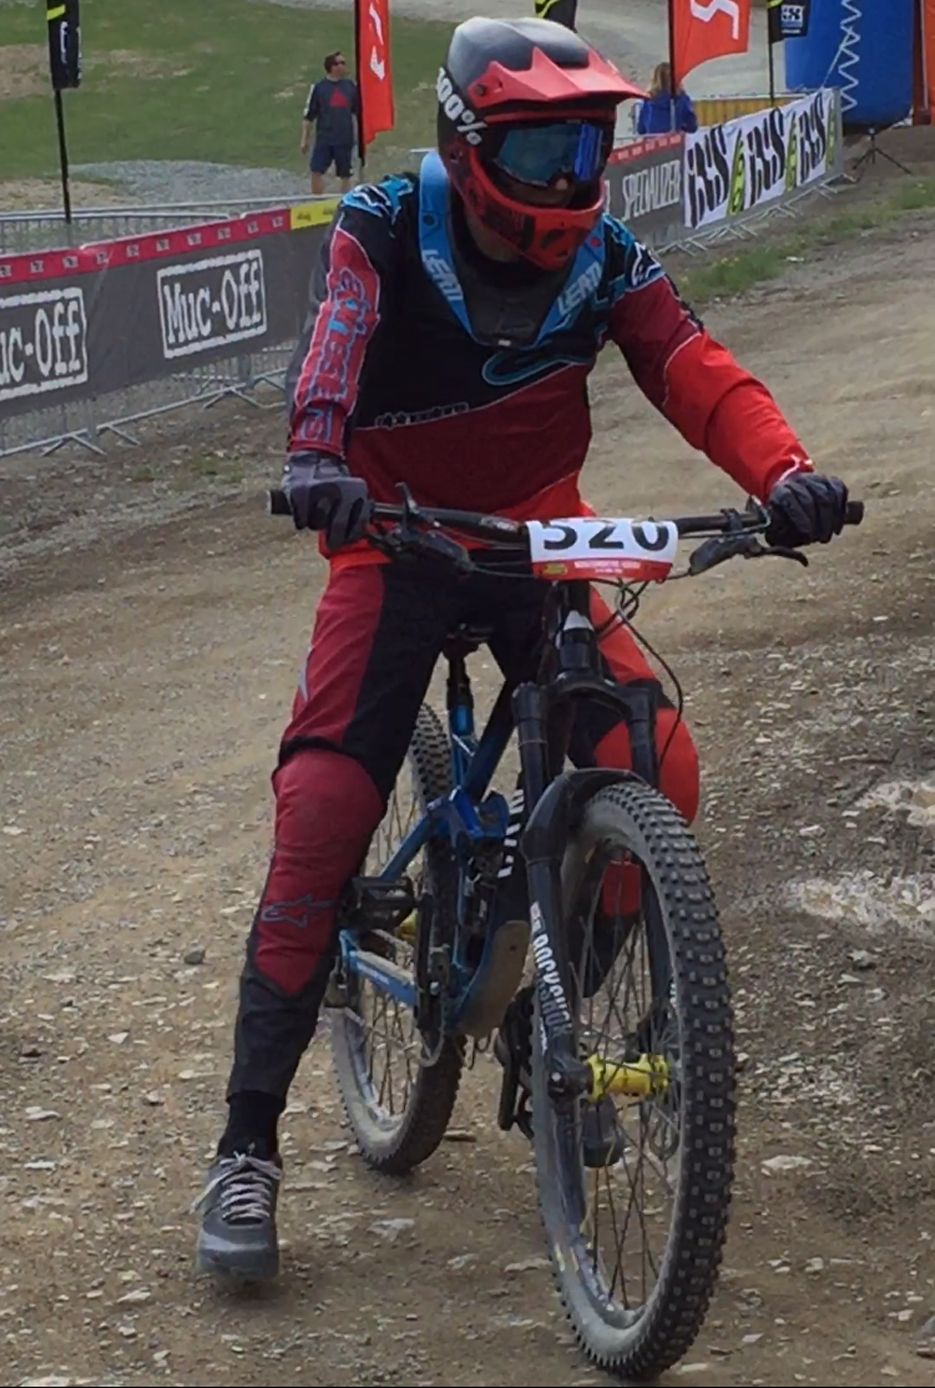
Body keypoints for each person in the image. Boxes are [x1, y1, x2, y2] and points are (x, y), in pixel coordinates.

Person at [195, 16, 849, 1280]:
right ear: (463, 144)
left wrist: (784, 473)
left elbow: (692, 366)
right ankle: (245, 1145)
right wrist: (317, 456)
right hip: (392, 537)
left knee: (656, 759)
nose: (568, 176)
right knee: (323, 807)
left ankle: (559, 999)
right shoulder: (383, 227)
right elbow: (332, 345)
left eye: (585, 146)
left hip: (539, 536)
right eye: (539, 148)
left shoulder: (606, 256)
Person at [300, 51, 359, 195]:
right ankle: (316, 201)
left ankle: (345, 201)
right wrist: (304, 139)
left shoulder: (350, 86)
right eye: (341, 63)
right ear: (333, 67)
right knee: (316, 170)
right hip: (325, 138)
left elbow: (358, 112)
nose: (345, 66)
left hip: (345, 138)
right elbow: (309, 116)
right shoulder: (319, 88)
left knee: (345, 174)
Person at [637, 62, 698, 135]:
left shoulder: (648, 98)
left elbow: (641, 129)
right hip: (674, 139)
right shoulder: (681, 97)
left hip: (652, 140)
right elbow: (692, 126)